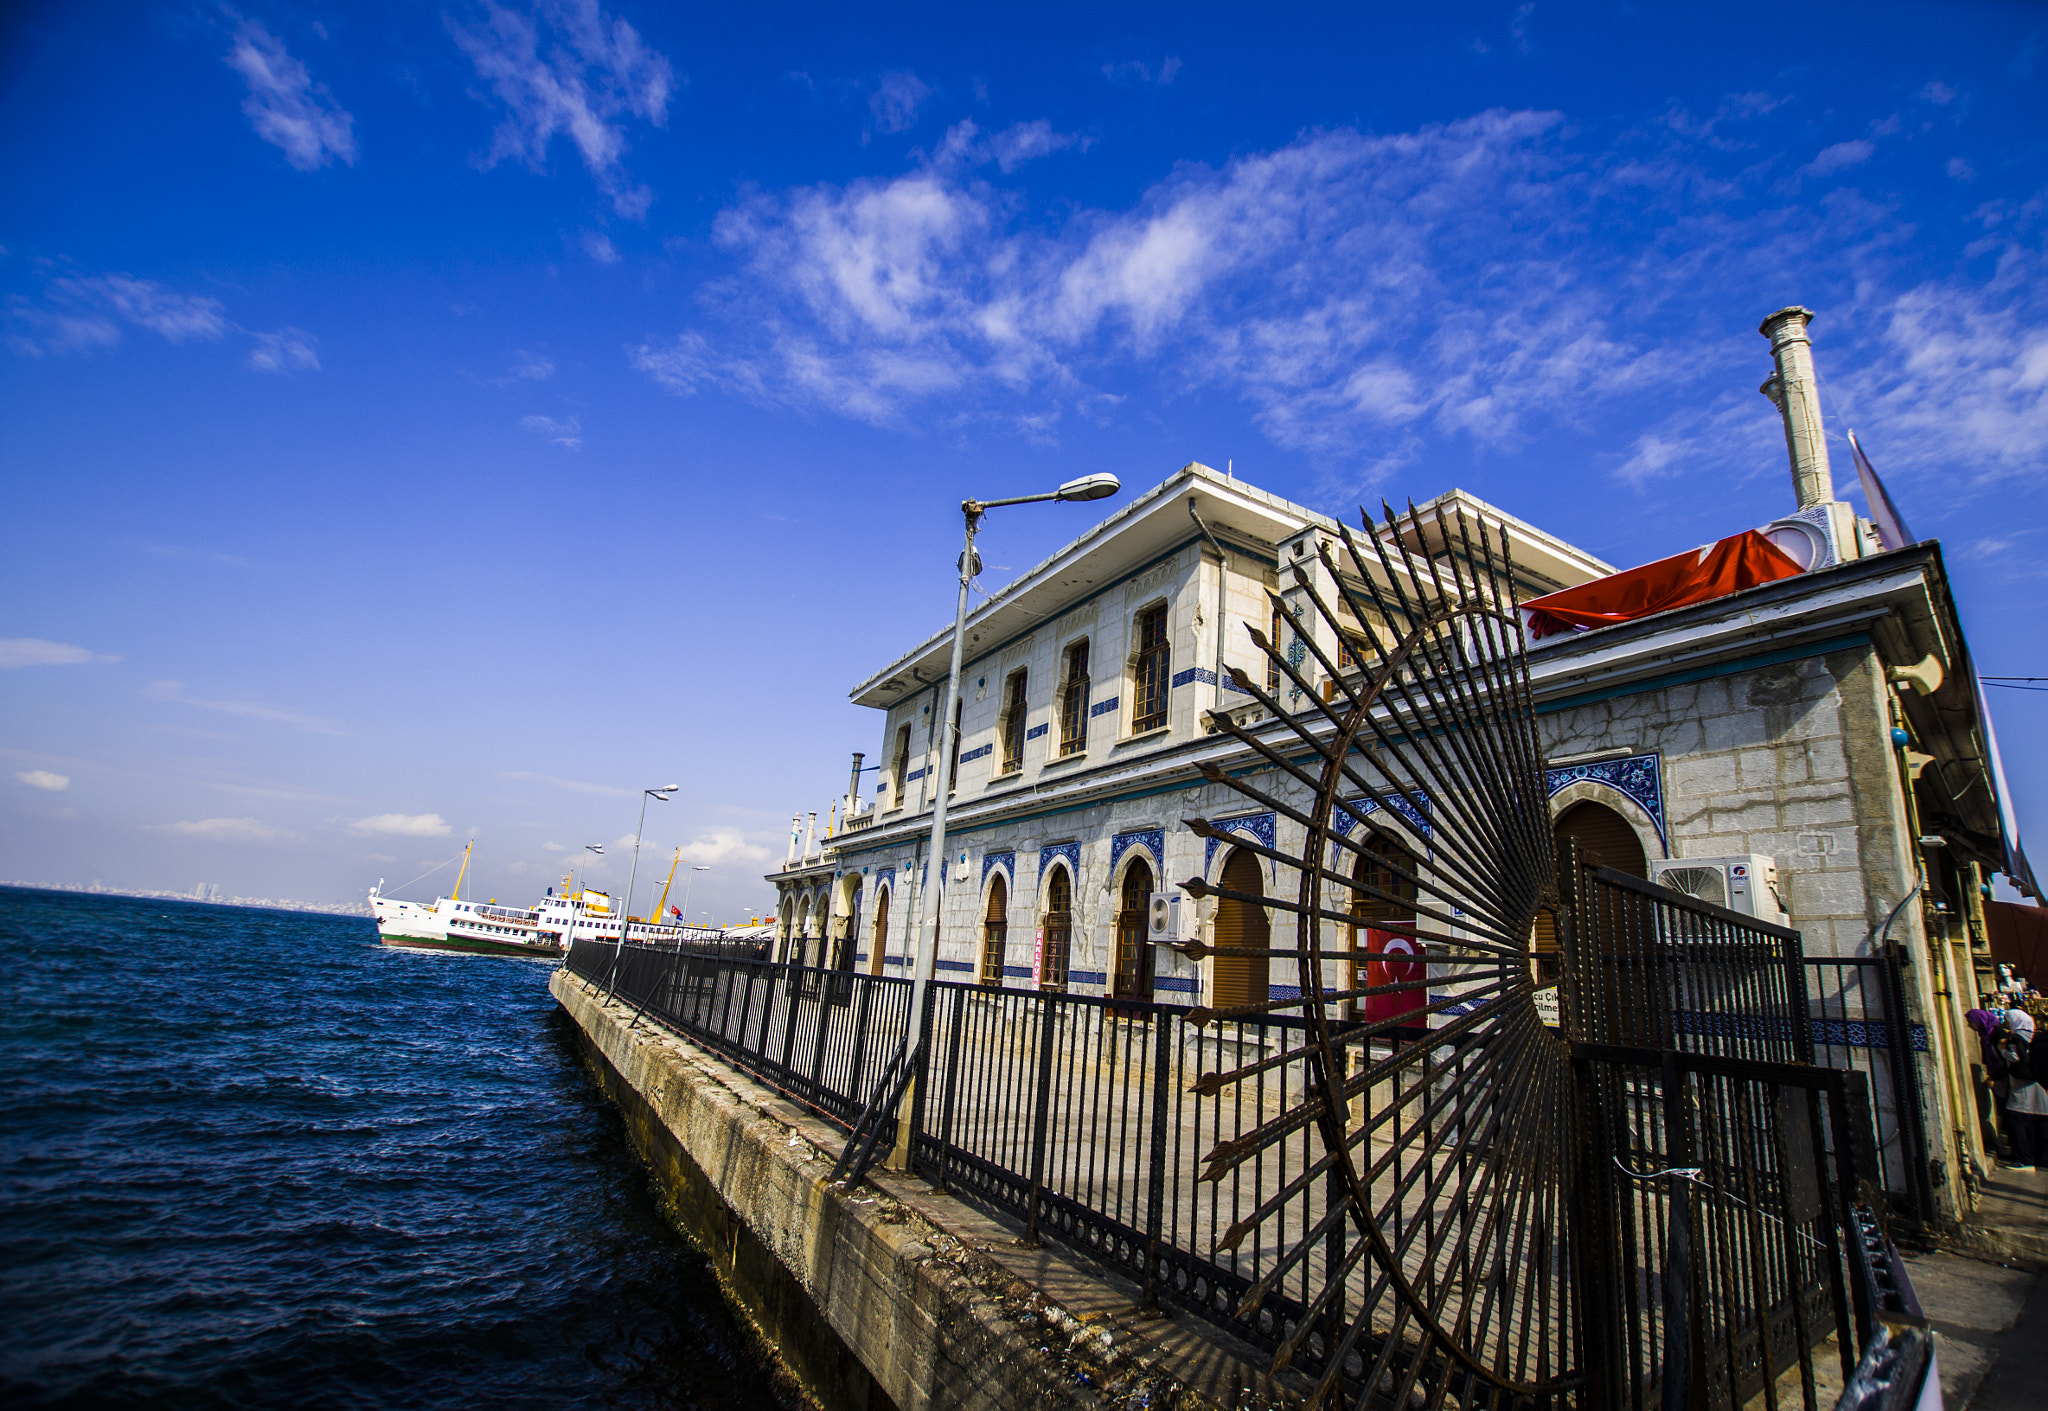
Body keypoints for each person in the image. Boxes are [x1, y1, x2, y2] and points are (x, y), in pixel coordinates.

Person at [1997, 1009, 2048, 1172]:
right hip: (2037, 1082)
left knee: (2017, 1119)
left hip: (2022, 1084)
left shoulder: (2015, 1037)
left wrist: (2002, 1050)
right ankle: (2037, 1158)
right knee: (2037, 1120)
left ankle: (2024, 1160)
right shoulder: (2033, 1035)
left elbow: (2014, 1057)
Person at [1969, 1009, 2011, 1160]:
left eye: (1971, 1021)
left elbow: (2006, 1061)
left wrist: (1996, 1077)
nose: (1969, 1025)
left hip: (2006, 1080)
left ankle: (2015, 1151)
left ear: (1979, 1020)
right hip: (2000, 1080)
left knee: (2008, 1113)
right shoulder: (1986, 1036)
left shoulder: (1997, 1035)